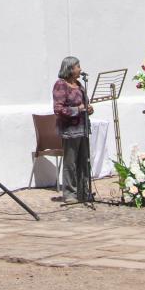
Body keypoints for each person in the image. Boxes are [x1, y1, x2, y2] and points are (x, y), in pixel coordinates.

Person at [52, 56, 94, 204]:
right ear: (69, 68)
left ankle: (83, 192)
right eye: (77, 66)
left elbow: (85, 103)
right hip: (70, 130)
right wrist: (77, 109)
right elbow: (58, 109)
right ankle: (70, 193)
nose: (80, 69)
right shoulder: (60, 85)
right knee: (71, 163)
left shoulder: (79, 84)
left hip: (83, 128)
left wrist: (89, 108)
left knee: (84, 161)